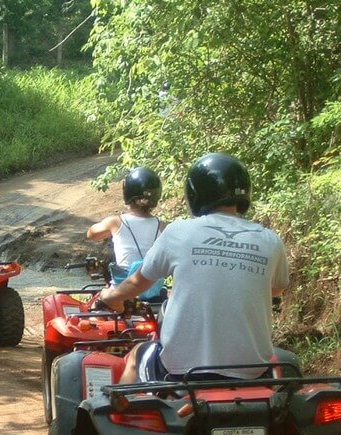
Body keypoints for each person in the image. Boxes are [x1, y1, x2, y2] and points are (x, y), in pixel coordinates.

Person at [98, 153, 289, 383]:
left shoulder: (179, 232)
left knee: (138, 355)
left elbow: (138, 283)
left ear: (194, 194)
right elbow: (275, 291)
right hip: (253, 371)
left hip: (183, 372)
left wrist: (112, 296)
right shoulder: (270, 240)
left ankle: (122, 415)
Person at [87, 166, 167, 300]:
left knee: (97, 304)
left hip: (122, 293)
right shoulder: (163, 226)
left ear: (127, 194)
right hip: (154, 293)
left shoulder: (115, 222)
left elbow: (91, 234)